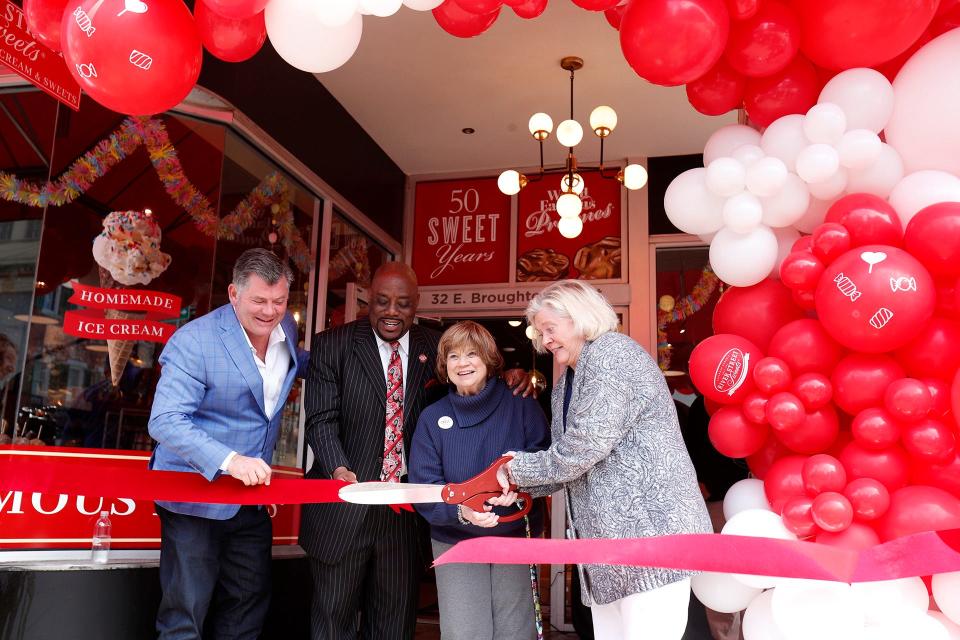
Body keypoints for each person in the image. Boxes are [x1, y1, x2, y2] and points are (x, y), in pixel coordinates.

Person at [300, 262, 534, 640]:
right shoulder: (333, 345)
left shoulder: (437, 346)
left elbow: (468, 388)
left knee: (394, 624)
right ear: (368, 300)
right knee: (333, 620)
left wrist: (509, 378)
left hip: (406, 513)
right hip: (343, 506)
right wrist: (338, 469)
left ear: (417, 304)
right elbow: (321, 421)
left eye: (403, 303)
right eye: (382, 301)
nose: (392, 311)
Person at [496, 279, 712, 640]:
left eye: (551, 329)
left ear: (580, 317)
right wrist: (514, 484)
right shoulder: (567, 379)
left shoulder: (613, 355)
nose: (545, 340)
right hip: (610, 552)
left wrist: (514, 468)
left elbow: (583, 448)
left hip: (651, 537)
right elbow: (570, 465)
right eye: (541, 332)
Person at [148, 248, 308, 640]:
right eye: (259, 301)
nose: (270, 312)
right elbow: (165, 420)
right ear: (234, 294)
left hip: (249, 499)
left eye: (279, 301)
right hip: (192, 496)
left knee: (248, 603)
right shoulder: (194, 341)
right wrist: (229, 459)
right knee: (185, 610)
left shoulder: (287, 327)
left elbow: (293, 365)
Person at [409, 321, 549, 640]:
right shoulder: (433, 418)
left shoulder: (521, 403)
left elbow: (544, 459)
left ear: (489, 359)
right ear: (445, 365)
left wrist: (515, 488)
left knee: (516, 631)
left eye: (472, 354)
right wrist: (463, 512)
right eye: (454, 356)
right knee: (464, 632)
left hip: (514, 535)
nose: (463, 363)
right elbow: (424, 487)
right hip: (454, 538)